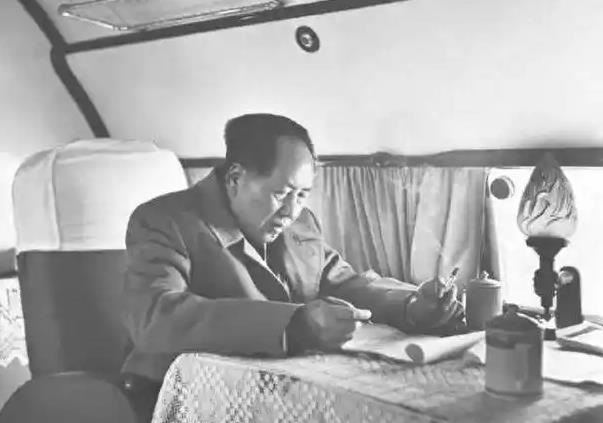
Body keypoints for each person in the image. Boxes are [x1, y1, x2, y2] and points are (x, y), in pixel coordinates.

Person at [121, 113, 465, 420]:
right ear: (235, 178)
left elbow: (342, 282)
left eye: (302, 195)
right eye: (281, 193)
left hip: (280, 388)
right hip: (181, 394)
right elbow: (155, 316)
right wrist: (295, 324)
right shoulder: (164, 220)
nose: (290, 211)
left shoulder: (301, 224)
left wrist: (412, 304)